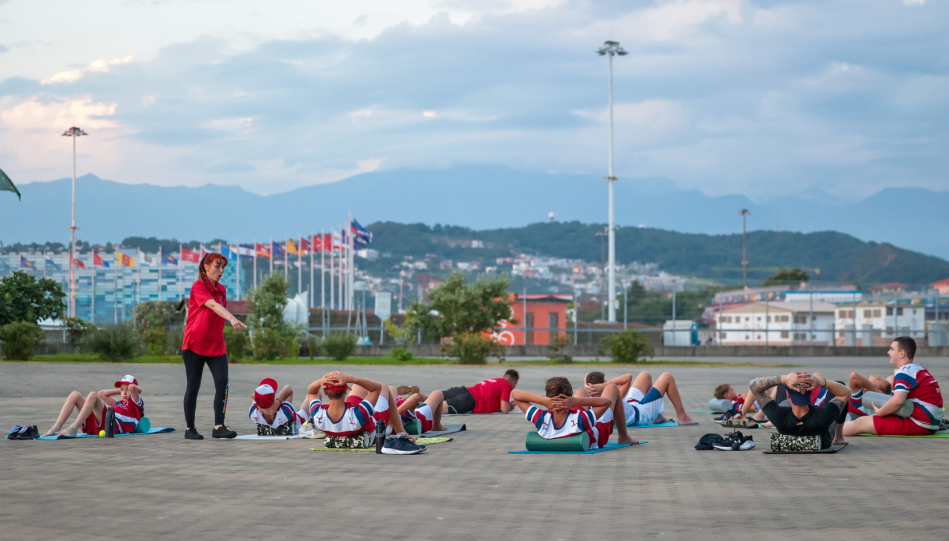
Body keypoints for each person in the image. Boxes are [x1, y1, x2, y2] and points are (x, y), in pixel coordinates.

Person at [181, 252, 247, 440]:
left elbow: (218, 308)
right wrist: (232, 317)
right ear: (205, 267)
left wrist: (229, 317)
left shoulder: (222, 289)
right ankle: (189, 429)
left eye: (223, 267)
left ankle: (219, 427)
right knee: (193, 386)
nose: (221, 271)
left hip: (216, 346)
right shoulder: (198, 286)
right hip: (194, 344)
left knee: (222, 383)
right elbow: (212, 305)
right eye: (217, 267)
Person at [303, 371, 424, 455]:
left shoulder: (318, 415)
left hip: (344, 421)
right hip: (371, 426)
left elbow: (311, 392)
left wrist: (321, 381)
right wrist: (350, 378)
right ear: (345, 390)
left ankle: (401, 431)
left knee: (358, 387)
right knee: (384, 386)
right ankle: (401, 433)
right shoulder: (356, 414)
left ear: (324, 392)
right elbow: (377, 387)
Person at [843, 337, 943, 437]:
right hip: (930, 422)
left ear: (902, 353)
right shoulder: (917, 369)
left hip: (919, 423)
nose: (888, 352)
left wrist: (880, 412)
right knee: (867, 419)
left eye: (892, 349)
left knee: (861, 423)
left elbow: (898, 401)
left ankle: (829, 434)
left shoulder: (904, 372)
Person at [512, 377, 636, 449]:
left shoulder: (542, 418)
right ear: (570, 396)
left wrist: (544, 402)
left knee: (582, 390)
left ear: (548, 398)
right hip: (596, 431)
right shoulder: (582, 419)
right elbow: (606, 402)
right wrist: (576, 402)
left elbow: (515, 394)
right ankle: (623, 437)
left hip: (568, 420)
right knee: (612, 388)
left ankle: (561, 399)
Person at [749, 371, 850, 449]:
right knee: (840, 384)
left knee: (781, 384)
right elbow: (845, 393)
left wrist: (785, 379)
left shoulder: (778, 417)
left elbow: (753, 385)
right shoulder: (823, 416)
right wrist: (820, 382)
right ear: (811, 392)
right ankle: (838, 437)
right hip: (821, 432)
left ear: (788, 395)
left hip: (789, 427)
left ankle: (785, 382)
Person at [43, 375, 145, 437]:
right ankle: (56, 427)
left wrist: (133, 390)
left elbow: (132, 387)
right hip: (99, 424)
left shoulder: (136, 404)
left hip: (110, 426)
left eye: (127, 390)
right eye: (122, 390)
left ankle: (74, 428)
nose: (124, 393)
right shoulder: (118, 403)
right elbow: (101, 393)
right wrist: (121, 390)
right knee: (75, 395)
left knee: (93, 395)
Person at [584, 371, 697, 426]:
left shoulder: (590, 398)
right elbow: (628, 378)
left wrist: (589, 387)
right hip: (642, 414)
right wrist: (604, 386)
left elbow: (587, 376)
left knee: (645, 375)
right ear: (603, 384)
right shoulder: (610, 398)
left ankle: (657, 416)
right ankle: (682, 417)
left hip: (631, 405)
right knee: (667, 377)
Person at [439, 370, 519, 415]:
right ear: (514, 382)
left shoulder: (496, 380)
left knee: (433, 399)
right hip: (470, 401)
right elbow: (504, 409)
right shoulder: (506, 385)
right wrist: (509, 406)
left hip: (465, 390)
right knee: (438, 409)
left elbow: (496, 404)